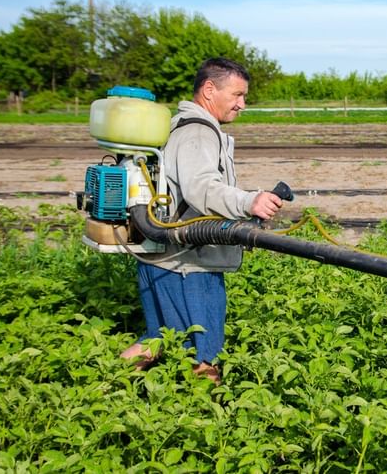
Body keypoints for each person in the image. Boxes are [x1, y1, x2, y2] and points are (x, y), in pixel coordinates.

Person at [120, 57, 284, 384]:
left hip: (161, 256)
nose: (243, 104)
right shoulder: (198, 130)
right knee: (204, 354)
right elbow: (201, 188)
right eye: (237, 95)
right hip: (188, 265)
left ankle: (99, 384)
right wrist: (249, 200)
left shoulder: (178, 123)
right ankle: (210, 419)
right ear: (209, 89)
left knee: (158, 339)